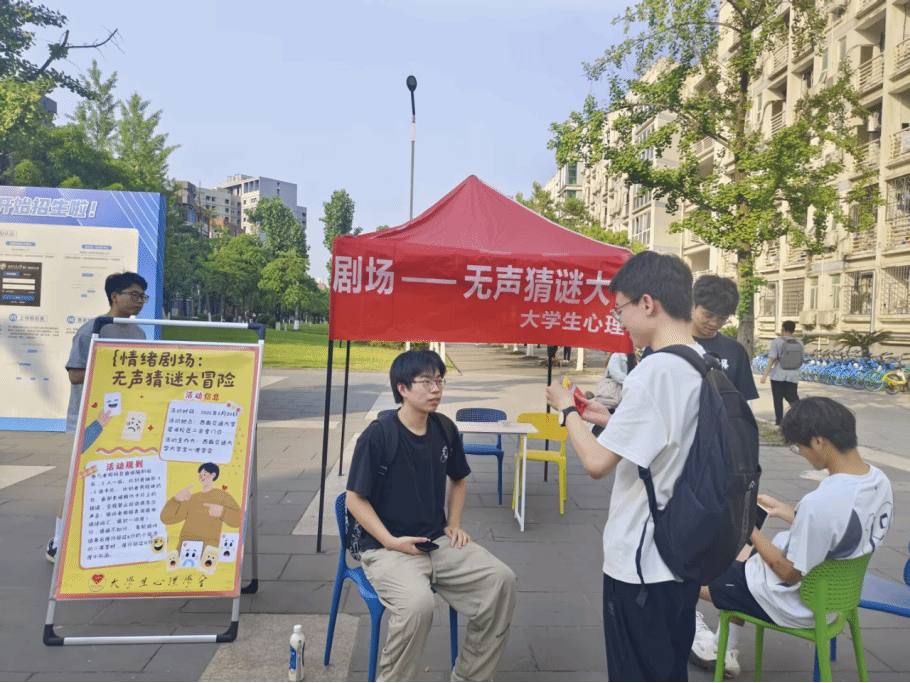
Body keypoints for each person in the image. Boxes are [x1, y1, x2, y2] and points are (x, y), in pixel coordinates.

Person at [546, 251, 705, 681]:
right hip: (684, 551)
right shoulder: (700, 362)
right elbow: (668, 439)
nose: (620, 323)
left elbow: (597, 463)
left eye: (620, 311)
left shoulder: (654, 371)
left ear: (647, 304)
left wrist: (567, 410)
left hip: (643, 561)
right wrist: (608, 419)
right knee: (668, 669)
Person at [346, 350, 517, 682]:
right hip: (388, 549)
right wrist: (390, 541)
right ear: (402, 388)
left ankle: (470, 676)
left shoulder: (445, 428)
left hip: (437, 541)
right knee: (417, 606)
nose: (436, 389)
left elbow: (459, 479)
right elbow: (354, 499)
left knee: (502, 581)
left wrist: (453, 523)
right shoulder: (379, 435)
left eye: (439, 381)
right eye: (426, 381)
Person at [690, 397, 893, 678]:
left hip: (796, 603)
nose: (802, 453)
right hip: (835, 597)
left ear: (818, 442)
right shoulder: (878, 481)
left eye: (800, 447)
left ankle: (703, 638)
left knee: (687, 572)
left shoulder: (821, 503)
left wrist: (747, 526)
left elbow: (788, 573)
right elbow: (844, 529)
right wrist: (784, 511)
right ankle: (724, 644)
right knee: (741, 556)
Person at [47, 272, 149, 562]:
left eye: (143, 296)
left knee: (118, 477)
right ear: (115, 297)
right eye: (134, 295)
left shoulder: (138, 333)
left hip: (125, 419)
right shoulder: (93, 330)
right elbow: (75, 375)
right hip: (92, 420)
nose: (139, 301)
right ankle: (58, 542)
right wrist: (111, 368)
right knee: (80, 478)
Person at [691, 275, 758, 401]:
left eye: (722, 318)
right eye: (708, 315)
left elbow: (744, 400)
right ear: (692, 305)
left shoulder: (735, 350)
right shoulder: (668, 345)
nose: (714, 323)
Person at [159, 463, 241, 551]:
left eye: (204, 474)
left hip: (208, 552)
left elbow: (239, 520)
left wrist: (222, 512)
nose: (202, 477)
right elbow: (166, 518)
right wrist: (176, 499)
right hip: (185, 549)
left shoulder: (222, 496)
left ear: (213, 475)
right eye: (200, 475)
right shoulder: (192, 498)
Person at [761, 320, 803, 425]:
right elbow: (801, 360)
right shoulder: (800, 343)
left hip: (778, 376)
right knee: (793, 398)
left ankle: (779, 422)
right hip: (793, 375)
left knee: (778, 400)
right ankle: (801, 417)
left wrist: (765, 375)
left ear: (782, 329)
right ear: (793, 331)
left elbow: (772, 359)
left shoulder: (776, 342)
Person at [587, 352, 638, 437]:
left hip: (623, 400)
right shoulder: (617, 356)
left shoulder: (633, 358)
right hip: (612, 400)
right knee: (605, 427)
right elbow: (616, 374)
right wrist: (633, 382)